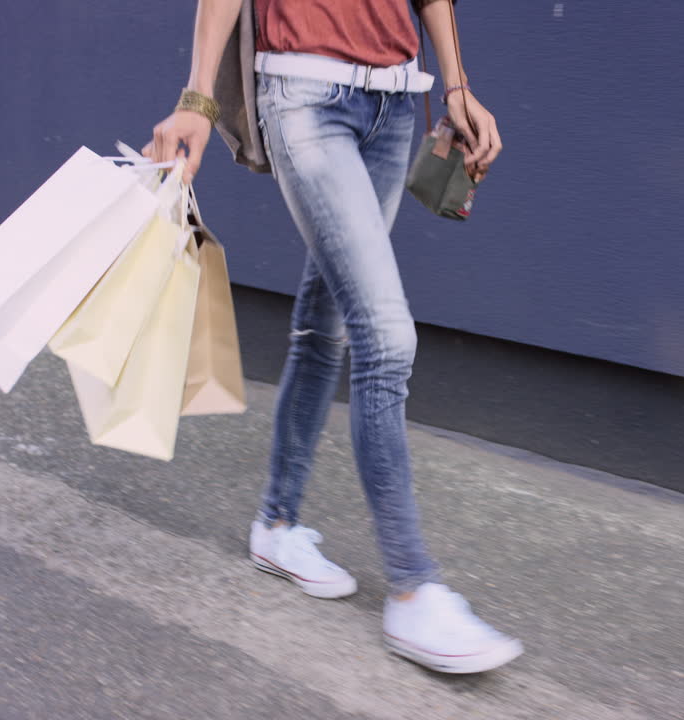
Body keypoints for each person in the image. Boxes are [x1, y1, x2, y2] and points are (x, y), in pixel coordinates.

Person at [143, 0, 519, 674]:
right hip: (307, 97)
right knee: (386, 338)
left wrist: (457, 85)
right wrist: (198, 99)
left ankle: (277, 525)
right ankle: (412, 588)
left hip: (397, 101)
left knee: (329, 324)